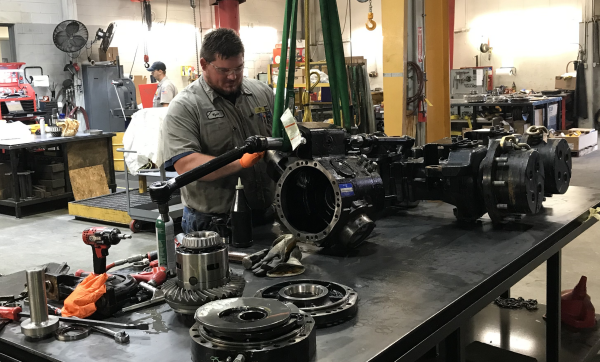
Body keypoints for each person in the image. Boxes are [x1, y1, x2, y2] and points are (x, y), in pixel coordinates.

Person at [161, 28, 275, 234]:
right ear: (204, 64)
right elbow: (185, 164)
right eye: (223, 70)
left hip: (267, 216)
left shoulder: (262, 93)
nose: (233, 76)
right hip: (213, 224)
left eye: (239, 68)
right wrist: (238, 162)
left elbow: (287, 134)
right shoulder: (185, 106)